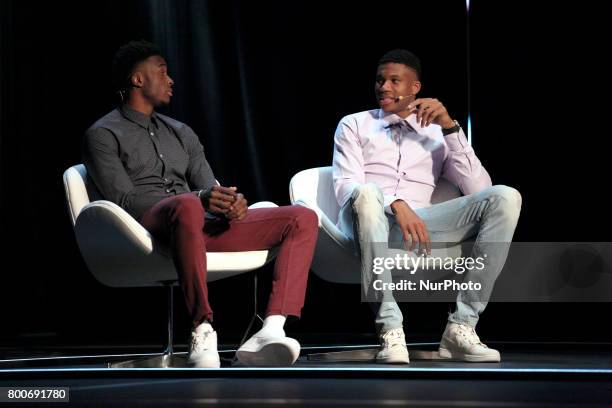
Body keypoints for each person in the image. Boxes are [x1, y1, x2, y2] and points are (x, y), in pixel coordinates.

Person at [83, 40, 318, 368]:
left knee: (301, 218)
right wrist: (198, 199)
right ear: (137, 80)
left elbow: (210, 188)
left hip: (196, 225)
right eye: (162, 72)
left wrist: (230, 203)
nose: (171, 80)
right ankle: (202, 328)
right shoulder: (104, 134)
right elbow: (125, 200)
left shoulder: (181, 132)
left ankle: (272, 328)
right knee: (188, 206)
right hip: (147, 229)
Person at [332, 49, 521, 363]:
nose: (384, 87)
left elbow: (480, 189)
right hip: (369, 221)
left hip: (422, 227)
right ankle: (390, 329)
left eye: (395, 80)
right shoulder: (355, 124)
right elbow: (345, 187)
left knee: (505, 197)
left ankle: (462, 327)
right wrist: (396, 203)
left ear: (415, 88)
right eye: (380, 80)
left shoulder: (436, 134)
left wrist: (449, 127)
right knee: (365, 192)